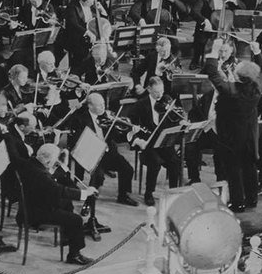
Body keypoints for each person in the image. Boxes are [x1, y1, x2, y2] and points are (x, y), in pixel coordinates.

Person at [205, 37, 262, 212]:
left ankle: (238, 202)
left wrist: (214, 51)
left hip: (231, 139)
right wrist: (257, 52)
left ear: (238, 77)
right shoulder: (257, 88)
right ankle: (252, 199)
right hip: (249, 137)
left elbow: (213, 74)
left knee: (233, 171)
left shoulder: (231, 90)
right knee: (249, 167)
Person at [18, 143, 99, 265]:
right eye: (54, 160)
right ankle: (74, 255)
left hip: (33, 204)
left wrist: (62, 164)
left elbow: (50, 179)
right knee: (76, 220)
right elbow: (59, 190)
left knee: (66, 204)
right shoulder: (40, 174)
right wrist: (85, 193)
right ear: (47, 161)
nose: (56, 161)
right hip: (36, 213)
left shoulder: (32, 163)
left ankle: (67, 235)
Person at [68, 93, 139, 208]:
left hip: (108, 152)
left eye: (103, 104)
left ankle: (123, 196)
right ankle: (89, 202)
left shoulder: (107, 116)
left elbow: (117, 137)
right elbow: (76, 142)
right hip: (91, 155)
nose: (103, 108)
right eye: (99, 105)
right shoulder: (80, 119)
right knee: (98, 176)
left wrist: (130, 133)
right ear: (90, 106)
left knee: (128, 169)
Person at [130, 77, 182, 205]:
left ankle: (173, 192)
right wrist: (138, 138)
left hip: (162, 142)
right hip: (147, 144)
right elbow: (132, 124)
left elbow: (174, 119)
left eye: (161, 91)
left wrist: (180, 120)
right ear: (148, 89)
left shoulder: (166, 101)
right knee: (155, 162)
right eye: (156, 92)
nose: (159, 95)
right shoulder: (140, 104)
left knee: (175, 161)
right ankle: (149, 193)